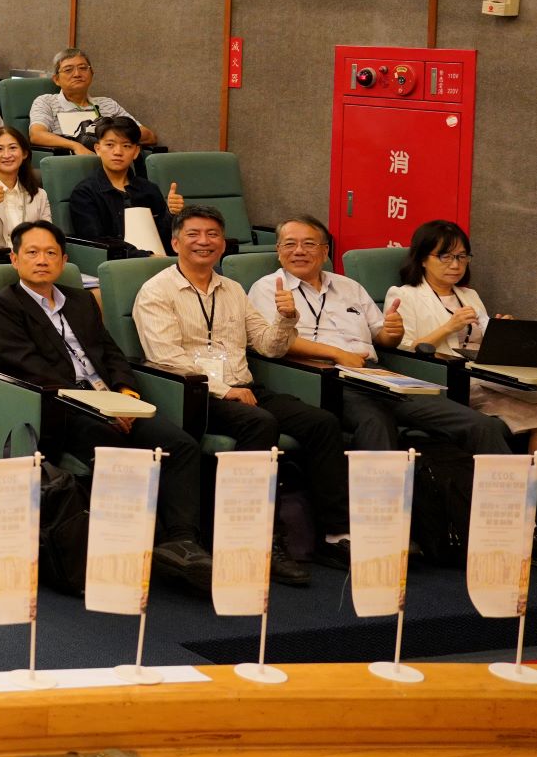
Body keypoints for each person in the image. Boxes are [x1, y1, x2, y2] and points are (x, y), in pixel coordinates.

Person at [0, 223, 210, 593]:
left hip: (114, 401)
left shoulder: (80, 300)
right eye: (32, 252)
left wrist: (126, 393)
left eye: (51, 253)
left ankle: (181, 544)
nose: (42, 260)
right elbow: (27, 366)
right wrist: (99, 406)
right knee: (115, 448)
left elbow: (109, 352)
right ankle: (119, 552)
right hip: (63, 408)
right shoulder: (6, 306)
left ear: (64, 259)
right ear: (14, 258)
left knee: (181, 445)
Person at [133, 205, 340, 580]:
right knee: (259, 423)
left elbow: (268, 346)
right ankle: (255, 539)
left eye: (213, 234)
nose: (204, 242)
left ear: (224, 244)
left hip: (245, 385)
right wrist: (224, 390)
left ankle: (334, 533)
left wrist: (287, 319)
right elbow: (165, 358)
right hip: (194, 393)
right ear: (175, 242)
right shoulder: (156, 291)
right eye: (194, 234)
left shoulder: (233, 289)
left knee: (322, 422)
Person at [257, 216, 511, 455]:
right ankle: (380, 502)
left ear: (325, 252)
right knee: (376, 424)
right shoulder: (268, 288)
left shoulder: (349, 286)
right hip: (323, 377)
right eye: (290, 244)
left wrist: (393, 332)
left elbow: (383, 337)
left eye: (309, 244)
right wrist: (338, 354)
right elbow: (274, 341)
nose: (299, 251)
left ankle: (504, 499)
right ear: (278, 252)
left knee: (478, 424)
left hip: (376, 374)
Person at [377, 219, 536, 444]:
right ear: (423, 258)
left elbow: (479, 345)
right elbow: (403, 350)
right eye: (446, 256)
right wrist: (449, 327)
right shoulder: (404, 295)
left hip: (485, 379)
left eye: (462, 257)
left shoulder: (468, 295)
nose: (455, 265)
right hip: (446, 379)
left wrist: (501, 332)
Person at [68, 118, 182, 259]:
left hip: (160, 263)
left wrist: (171, 214)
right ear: (98, 149)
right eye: (110, 145)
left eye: (126, 146)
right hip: (117, 267)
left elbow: (166, 239)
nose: (118, 152)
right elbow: (97, 244)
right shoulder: (85, 193)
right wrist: (145, 257)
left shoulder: (149, 189)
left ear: (136, 152)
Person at [30, 48, 153, 153]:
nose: (77, 74)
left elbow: (148, 135)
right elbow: (37, 135)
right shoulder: (46, 102)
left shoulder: (107, 104)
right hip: (69, 163)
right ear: (56, 79)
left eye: (83, 68)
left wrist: (109, 141)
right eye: (68, 70)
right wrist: (76, 146)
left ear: (92, 73)